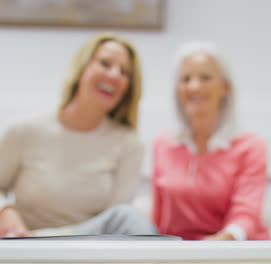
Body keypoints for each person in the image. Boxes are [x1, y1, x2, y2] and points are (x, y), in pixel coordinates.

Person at [0, 33, 155, 237]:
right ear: (81, 69)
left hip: (88, 245)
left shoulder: (128, 143)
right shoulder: (26, 131)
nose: (115, 75)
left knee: (128, 217)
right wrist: (5, 211)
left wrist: (48, 239)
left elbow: (114, 223)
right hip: (25, 245)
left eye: (125, 72)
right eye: (105, 64)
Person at [151, 42, 271, 240]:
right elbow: (158, 219)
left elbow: (246, 215)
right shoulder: (162, 145)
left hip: (234, 251)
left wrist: (215, 246)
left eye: (205, 78)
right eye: (186, 79)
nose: (194, 86)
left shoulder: (251, 147)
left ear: (225, 87)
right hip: (179, 255)